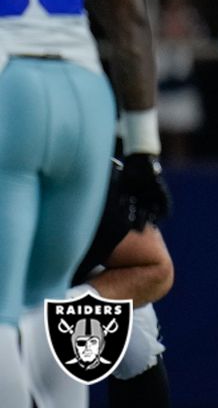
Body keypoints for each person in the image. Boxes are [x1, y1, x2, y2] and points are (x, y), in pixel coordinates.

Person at [0, 0, 170, 405]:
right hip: (83, 93)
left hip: (9, 93)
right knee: (52, 308)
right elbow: (126, 9)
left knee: (13, 315)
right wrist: (146, 148)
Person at [21, 159, 175, 408]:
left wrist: (66, 308)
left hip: (60, 281)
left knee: (135, 332)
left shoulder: (88, 183)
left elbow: (158, 269)